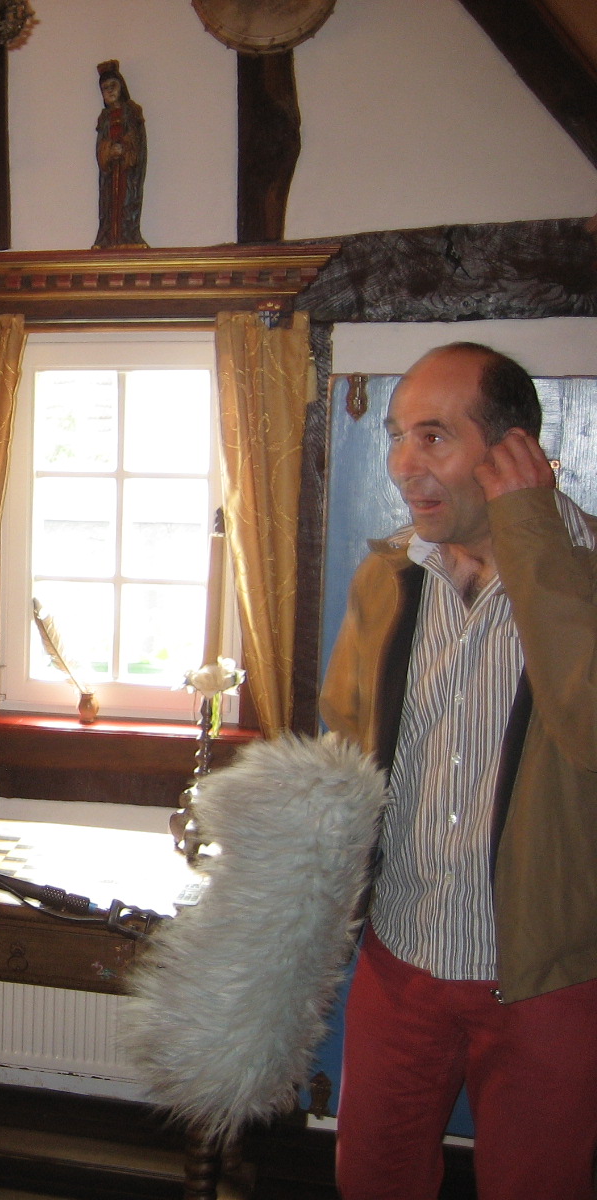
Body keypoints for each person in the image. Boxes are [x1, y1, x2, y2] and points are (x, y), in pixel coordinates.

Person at [321, 343, 597, 1199]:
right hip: (401, 955)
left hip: (547, 975)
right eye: (399, 435)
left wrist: (533, 535)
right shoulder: (388, 577)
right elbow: (347, 740)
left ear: (512, 450)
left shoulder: (587, 574)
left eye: (433, 436)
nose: (404, 464)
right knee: (373, 1178)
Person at [92, 59, 147, 249]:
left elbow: (137, 141)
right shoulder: (104, 118)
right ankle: (107, 238)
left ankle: (128, 236)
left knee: (127, 200)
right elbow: (100, 146)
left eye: (112, 86)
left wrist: (125, 148)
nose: (109, 91)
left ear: (121, 86)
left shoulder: (132, 111)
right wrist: (108, 150)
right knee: (109, 204)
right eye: (104, 88)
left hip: (127, 171)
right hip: (110, 172)